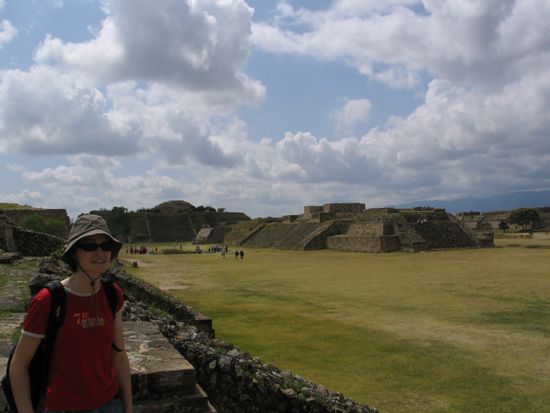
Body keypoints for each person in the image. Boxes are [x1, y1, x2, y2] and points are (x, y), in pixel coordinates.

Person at [9, 214, 133, 413]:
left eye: (106, 246)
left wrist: (128, 408)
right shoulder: (49, 300)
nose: (100, 253)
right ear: (74, 252)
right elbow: (18, 366)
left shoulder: (112, 294)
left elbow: (118, 356)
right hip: (61, 406)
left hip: (108, 404)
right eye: (90, 246)